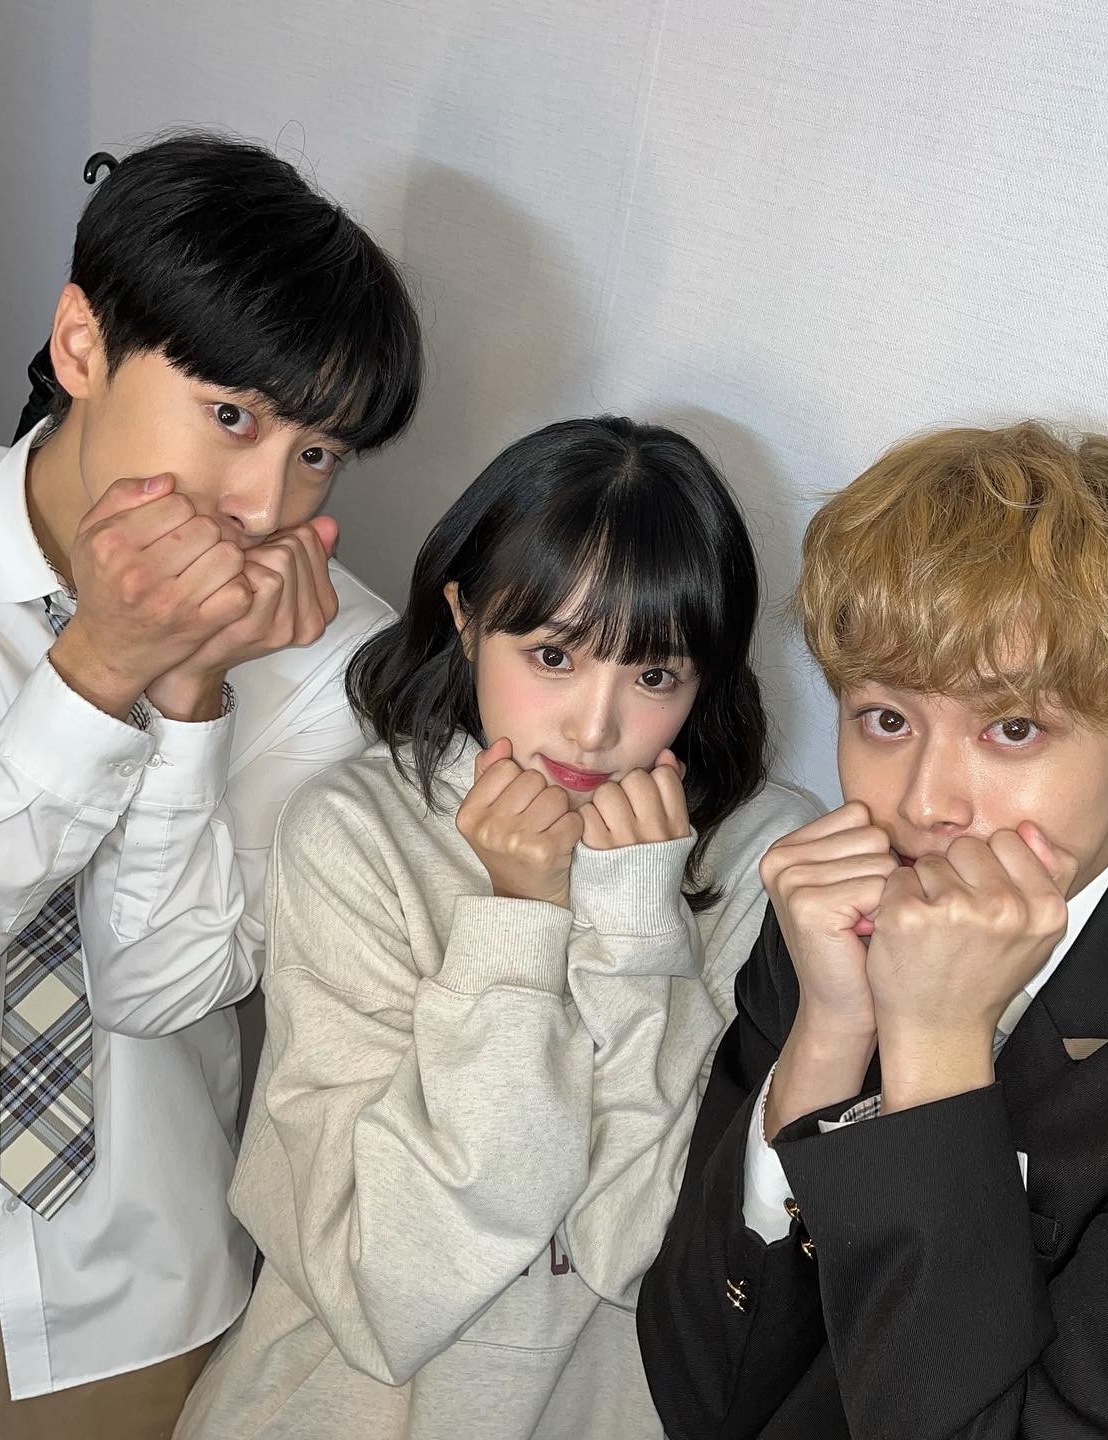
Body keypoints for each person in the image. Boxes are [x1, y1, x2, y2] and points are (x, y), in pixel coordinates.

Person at [0, 132, 421, 1437]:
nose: (265, 503)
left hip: (135, 1275)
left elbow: (158, 988)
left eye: (319, 452)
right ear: (83, 345)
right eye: (234, 417)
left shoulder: (340, 655)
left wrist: (192, 691)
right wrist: (100, 665)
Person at [173, 416, 818, 1440]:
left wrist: (635, 925)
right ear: (466, 618)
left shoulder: (765, 857)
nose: (595, 728)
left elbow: (632, 1249)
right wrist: (518, 922)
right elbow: (391, 1291)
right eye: (553, 654)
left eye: (655, 676)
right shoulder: (358, 832)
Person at [636, 420, 1108, 1438]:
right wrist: (828, 1037)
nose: (927, 803)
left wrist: (934, 1050)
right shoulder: (827, 925)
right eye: (886, 720)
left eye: (1012, 728)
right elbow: (700, 1393)